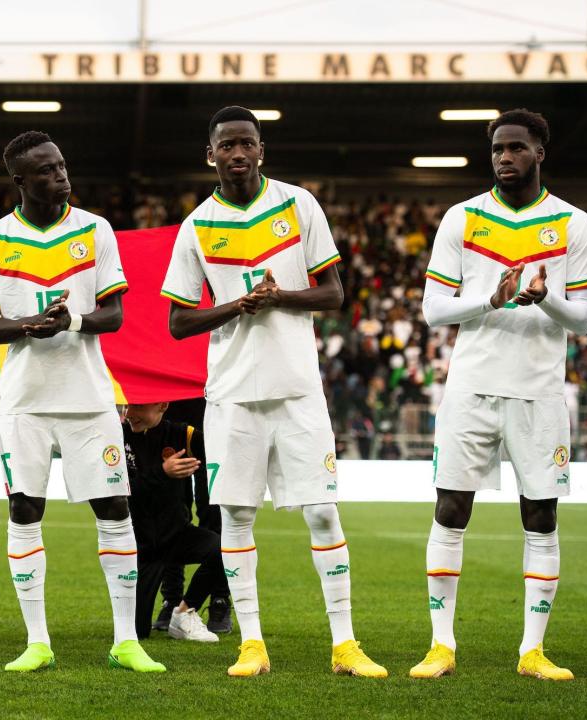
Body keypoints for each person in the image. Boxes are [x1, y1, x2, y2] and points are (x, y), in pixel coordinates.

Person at [161, 106, 387, 679]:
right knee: (235, 518)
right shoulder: (196, 227)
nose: (238, 153)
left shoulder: (297, 204)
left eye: (247, 143)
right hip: (232, 394)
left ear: (261, 150)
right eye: (226, 145)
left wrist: (277, 297)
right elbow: (178, 323)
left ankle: (345, 645)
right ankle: (252, 644)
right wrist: (238, 305)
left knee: (322, 513)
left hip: (297, 390)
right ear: (209, 155)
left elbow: (333, 293)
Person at [410, 109, 587, 681]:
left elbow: (584, 320)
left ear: (540, 152)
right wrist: (490, 301)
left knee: (540, 517)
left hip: (538, 393)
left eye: (516, 148)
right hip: (470, 387)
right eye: (497, 149)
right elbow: (433, 309)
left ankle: (532, 651)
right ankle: (441, 645)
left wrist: (543, 299)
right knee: (450, 509)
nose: (504, 158)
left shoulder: (573, 224)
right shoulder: (461, 219)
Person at [0, 131, 164, 673]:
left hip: (90, 399)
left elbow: (115, 315)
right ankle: (37, 641)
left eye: (62, 166)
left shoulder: (95, 230)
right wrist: (30, 326)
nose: (61, 176)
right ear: (21, 180)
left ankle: (127, 641)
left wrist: (71, 321)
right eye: (48, 170)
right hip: (26, 403)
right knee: (25, 508)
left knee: (114, 508)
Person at [122, 401, 230, 641]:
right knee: (137, 633)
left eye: (138, 406)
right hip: (140, 549)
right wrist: (163, 472)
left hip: (177, 537)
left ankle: (183, 612)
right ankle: (164, 605)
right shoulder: (118, 437)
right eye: (127, 406)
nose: (130, 414)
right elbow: (121, 492)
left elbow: (220, 448)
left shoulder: (182, 434)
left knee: (224, 549)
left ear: (162, 405)